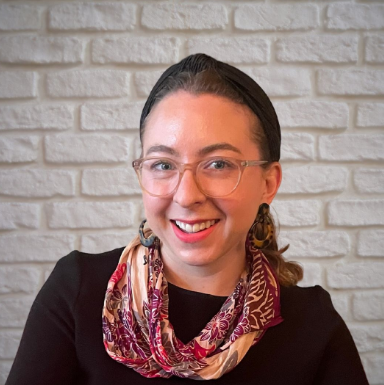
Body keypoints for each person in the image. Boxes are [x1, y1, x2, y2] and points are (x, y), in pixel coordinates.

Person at [6, 54, 368, 384]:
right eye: (163, 164)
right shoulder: (77, 293)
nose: (186, 195)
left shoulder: (312, 326)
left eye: (219, 164)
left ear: (268, 183)